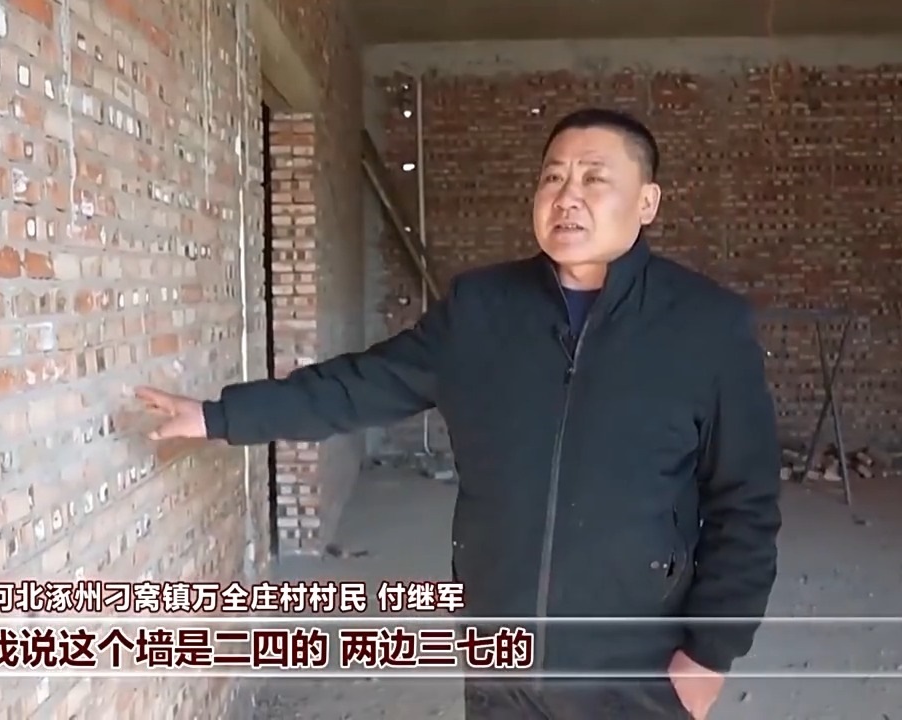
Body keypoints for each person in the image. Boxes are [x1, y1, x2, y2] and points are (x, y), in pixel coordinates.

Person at [135, 107, 782, 719]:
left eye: (594, 179)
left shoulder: (705, 327)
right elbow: (359, 385)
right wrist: (219, 416)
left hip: (635, 662)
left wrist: (710, 654)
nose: (567, 197)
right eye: (552, 178)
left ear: (647, 202)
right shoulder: (481, 309)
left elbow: (745, 503)